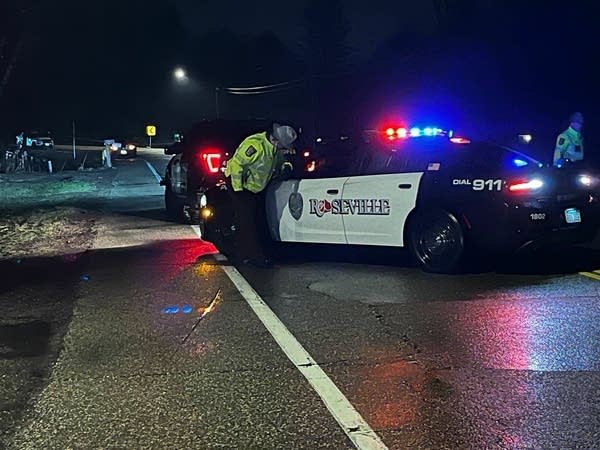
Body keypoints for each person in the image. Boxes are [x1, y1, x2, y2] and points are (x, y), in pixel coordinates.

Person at [224, 123, 297, 267]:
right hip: (239, 184)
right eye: (283, 146)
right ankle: (253, 257)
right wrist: (239, 191)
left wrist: (286, 168)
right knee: (248, 220)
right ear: (276, 140)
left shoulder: (275, 149)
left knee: (256, 218)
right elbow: (237, 166)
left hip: (256, 188)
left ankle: (244, 253)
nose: (283, 149)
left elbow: (283, 162)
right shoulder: (255, 145)